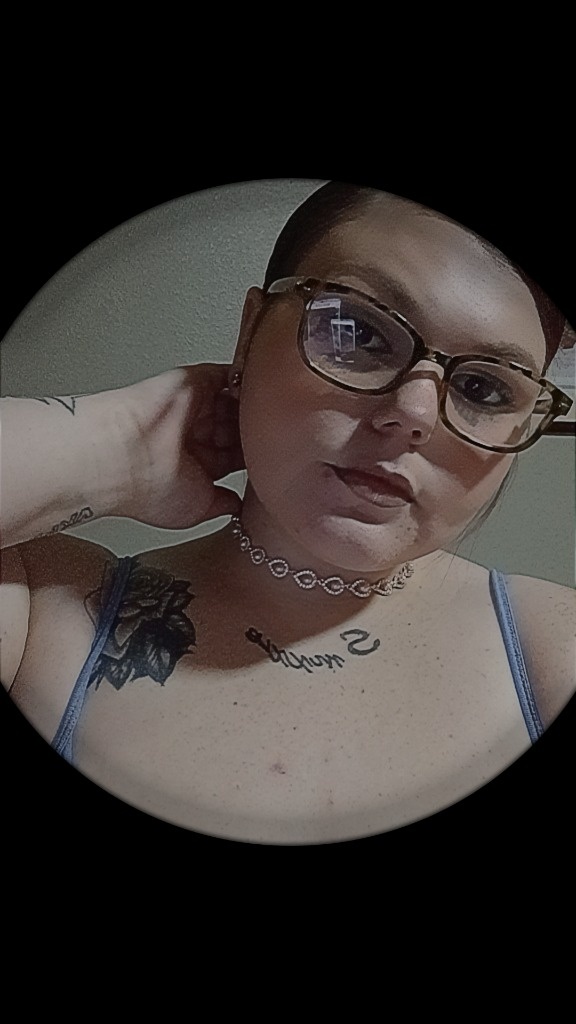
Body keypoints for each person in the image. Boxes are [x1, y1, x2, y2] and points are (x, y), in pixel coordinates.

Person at [1, 181, 574, 846]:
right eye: (360, 332)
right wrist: (112, 446)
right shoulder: (44, 614)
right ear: (249, 335)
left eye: (484, 388)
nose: (414, 414)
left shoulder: (556, 649)